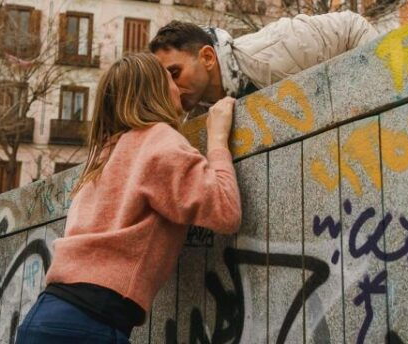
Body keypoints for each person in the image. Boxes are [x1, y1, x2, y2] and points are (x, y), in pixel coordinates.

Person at [16, 53, 241, 343]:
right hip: (91, 324)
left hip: (45, 316)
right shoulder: (159, 140)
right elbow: (225, 210)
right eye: (168, 78)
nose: (177, 86)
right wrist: (218, 141)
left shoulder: (103, 154)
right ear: (155, 89)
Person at [149, 11, 378, 113]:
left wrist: (365, 94)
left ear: (207, 58)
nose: (170, 87)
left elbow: (351, 27)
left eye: (175, 73)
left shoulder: (279, 45)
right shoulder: (193, 112)